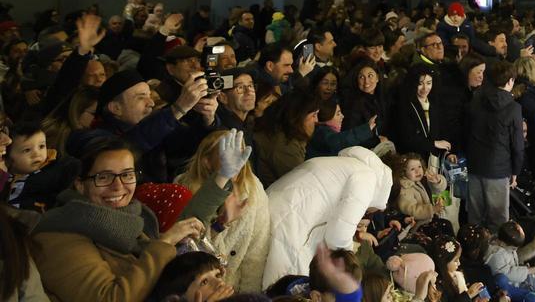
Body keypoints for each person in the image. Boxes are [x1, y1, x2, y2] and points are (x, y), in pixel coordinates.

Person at [28, 137, 222, 302]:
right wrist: (165, 242)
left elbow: (184, 228)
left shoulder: (131, 219)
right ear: (80, 184)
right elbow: (109, 298)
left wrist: (222, 177)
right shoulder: (57, 236)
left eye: (127, 175)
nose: (118, 186)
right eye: (104, 177)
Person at [262, 146, 393, 288]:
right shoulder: (367, 179)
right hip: (290, 219)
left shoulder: (348, 165)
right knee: (279, 285)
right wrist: (351, 257)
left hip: (273, 204)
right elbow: (339, 236)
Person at [177, 129, 272, 292]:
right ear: (206, 161)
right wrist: (219, 225)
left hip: (234, 289)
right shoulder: (184, 191)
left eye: (240, 153)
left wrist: (249, 296)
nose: (236, 160)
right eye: (226, 153)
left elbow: (256, 254)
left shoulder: (253, 191)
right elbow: (188, 253)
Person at [465, 61, 523, 232]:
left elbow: (465, 131)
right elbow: (517, 144)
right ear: (510, 81)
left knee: (475, 219)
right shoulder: (513, 108)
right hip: (499, 169)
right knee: (498, 221)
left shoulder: (475, 100)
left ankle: (473, 246)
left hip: (474, 165)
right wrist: (515, 171)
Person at [2, 120, 78, 210]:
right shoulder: (4, 176)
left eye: (41, 146)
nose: (37, 154)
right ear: (8, 157)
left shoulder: (55, 170)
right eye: (27, 150)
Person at [387, 66, 452, 164]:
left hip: (432, 161)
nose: (425, 88)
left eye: (429, 83)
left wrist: (447, 153)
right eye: (420, 83)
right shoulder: (404, 105)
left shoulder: (435, 103)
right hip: (411, 161)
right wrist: (433, 144)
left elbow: (442, 131)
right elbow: (406, 138)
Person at [255, 89, 321, 187]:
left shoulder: (284, 135)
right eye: (314, 115)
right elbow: (300, 185)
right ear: (298, 116)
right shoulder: (284, 146)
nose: (317, 120)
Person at [389, 151, 449, 229]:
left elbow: (441, 189)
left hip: (430, 219)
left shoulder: (421, 179)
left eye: (419, 167)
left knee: (447, 224)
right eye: (412, 169)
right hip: (419, 226)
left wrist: (438, 181)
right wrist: (433, 209)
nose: (417, 171)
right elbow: (411, 210)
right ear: (404, 172)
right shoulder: (405, 189)